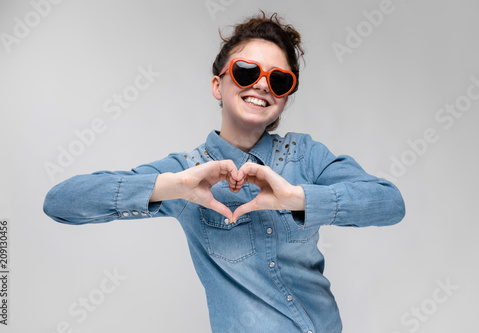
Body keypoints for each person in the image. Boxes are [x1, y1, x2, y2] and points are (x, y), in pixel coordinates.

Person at [44, 12, 405, 333]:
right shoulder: (188, 171)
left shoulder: (305, 155)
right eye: (247, 72)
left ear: (283, 96)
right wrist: (173, 186)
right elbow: (60, 201)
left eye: (279, 80)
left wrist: (297, 198)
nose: (263, 85)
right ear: (218, 84)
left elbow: (389, 203)